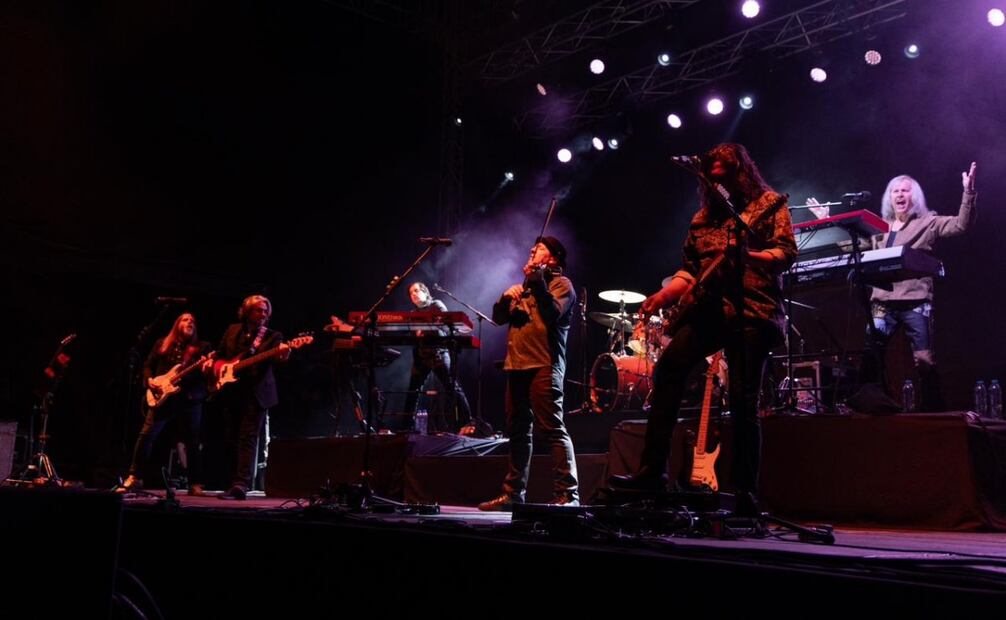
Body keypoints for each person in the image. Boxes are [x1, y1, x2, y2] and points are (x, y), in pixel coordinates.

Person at [610, 143, 797, 515]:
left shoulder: (769, 205)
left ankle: (745, 493)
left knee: (744, 399)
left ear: (740, 172)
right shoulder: (701, 220)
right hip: (709, 310)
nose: (714, 182)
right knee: (669, 368)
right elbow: (690, 271)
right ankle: (652, 473)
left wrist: (749, 256)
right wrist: (662, 296)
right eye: (709, 177)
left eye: (722, 175)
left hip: (753, 311)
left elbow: (785, 254)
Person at [862, 163, 977, 411]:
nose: (900, 195)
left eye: (906, 191)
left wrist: (968, 193)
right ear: (889, 197)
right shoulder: (879, 228)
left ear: (915, 197)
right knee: (871, 352)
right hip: (882, 302)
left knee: (923, 359)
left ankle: (932, 408)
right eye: (896, 191)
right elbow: (852, 246)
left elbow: (961, 225)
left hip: (915, 299)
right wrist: (827, 220)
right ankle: (873, 404)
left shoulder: (928, 222)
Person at [478, 236, 579, 510]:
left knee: (552, 428)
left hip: (544, 364)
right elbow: (499, 319)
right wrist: (503, 298)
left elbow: (552, 315)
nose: (533, 250)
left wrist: (536, 282)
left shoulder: (561, 285)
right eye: (533, 248)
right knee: (518, 432)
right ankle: (512, 496)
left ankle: (568, 495)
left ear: (553, 258)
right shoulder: (524, 288)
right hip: (517, 365)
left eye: (540, 249)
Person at [118, 312, 212, 495]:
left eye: (193, 320)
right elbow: (147, 365)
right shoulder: (162, 344)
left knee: (192, 441)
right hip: (162, 396)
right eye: (185, 319)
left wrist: (206, 367)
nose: (190, 322)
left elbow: (209, 374)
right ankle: (134, 476)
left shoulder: (202, 347)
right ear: (177, 324)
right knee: (146, 436)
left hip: (189, 399)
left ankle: (195, 483)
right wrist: (150, 380)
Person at [212, 295, 290, 500]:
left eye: (266, 310)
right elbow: (219, 355)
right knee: (231, 437)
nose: (263, 313)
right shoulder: (232, 330)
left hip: (257, 393)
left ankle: (241, 485)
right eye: (258, 310)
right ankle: (231, 481)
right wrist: (219, 368)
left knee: (248, 438)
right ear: (247, 312)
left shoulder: (273, 336)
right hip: (232, 391)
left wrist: (283, 354)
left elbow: (278, 361)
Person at [403, 282, 474, 433]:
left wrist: (427, 329)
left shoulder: (436, 305)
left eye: (416, 290)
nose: (413, 294)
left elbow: (447, 326)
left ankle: (468, 422)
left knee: (451, 387)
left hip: (438, 353)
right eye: (410, 293)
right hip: (421, 357)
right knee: (412, 391)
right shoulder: (412, 313)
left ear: (425, 292)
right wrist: (414, 334)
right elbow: (411, 335)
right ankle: (406, 427)